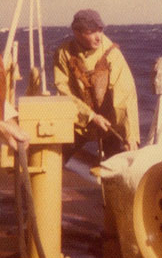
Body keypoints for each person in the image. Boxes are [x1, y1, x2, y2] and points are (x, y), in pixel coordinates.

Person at [53, 9, 140, 160]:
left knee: (117, 165)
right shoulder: (64, 53)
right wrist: (90, 116)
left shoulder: (112, 53)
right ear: (76, 32)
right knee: (55, 157)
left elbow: (126, 95)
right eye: (91, 31)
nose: (98, 37)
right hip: (78, 119)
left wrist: (131, 136)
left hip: (109, 124)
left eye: (100, 30)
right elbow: (63, 91)